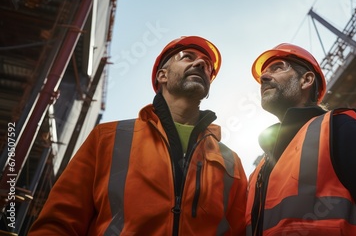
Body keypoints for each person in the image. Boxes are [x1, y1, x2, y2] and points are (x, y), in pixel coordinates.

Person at [29, 36, 247, 235]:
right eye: (188, 57)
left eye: (207, 66)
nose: (200, 64)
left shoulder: (231, 163)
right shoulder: (108, 138)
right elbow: (59, 222)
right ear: (163, 75)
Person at [245, 43, 356, 236]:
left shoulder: (337, 127)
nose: (264, 77)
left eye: (278, 67)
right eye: (264, 74)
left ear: (306, 80)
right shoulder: (258, 171)